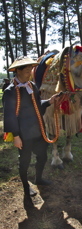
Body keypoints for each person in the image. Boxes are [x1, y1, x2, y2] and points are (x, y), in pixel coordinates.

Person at [3, 56, 56, 197]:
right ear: (17, 71)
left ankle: (38, 179)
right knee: (25, 161)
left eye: (30, 68)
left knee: (43, 156)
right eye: (26, 68)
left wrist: (49, 101)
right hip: (23, 134)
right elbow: (9, 116)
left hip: (38, 130)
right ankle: (26, 187)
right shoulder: (10, 91)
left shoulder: (32, 86)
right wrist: (16, 136)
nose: (29, 70)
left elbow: (38, 105)